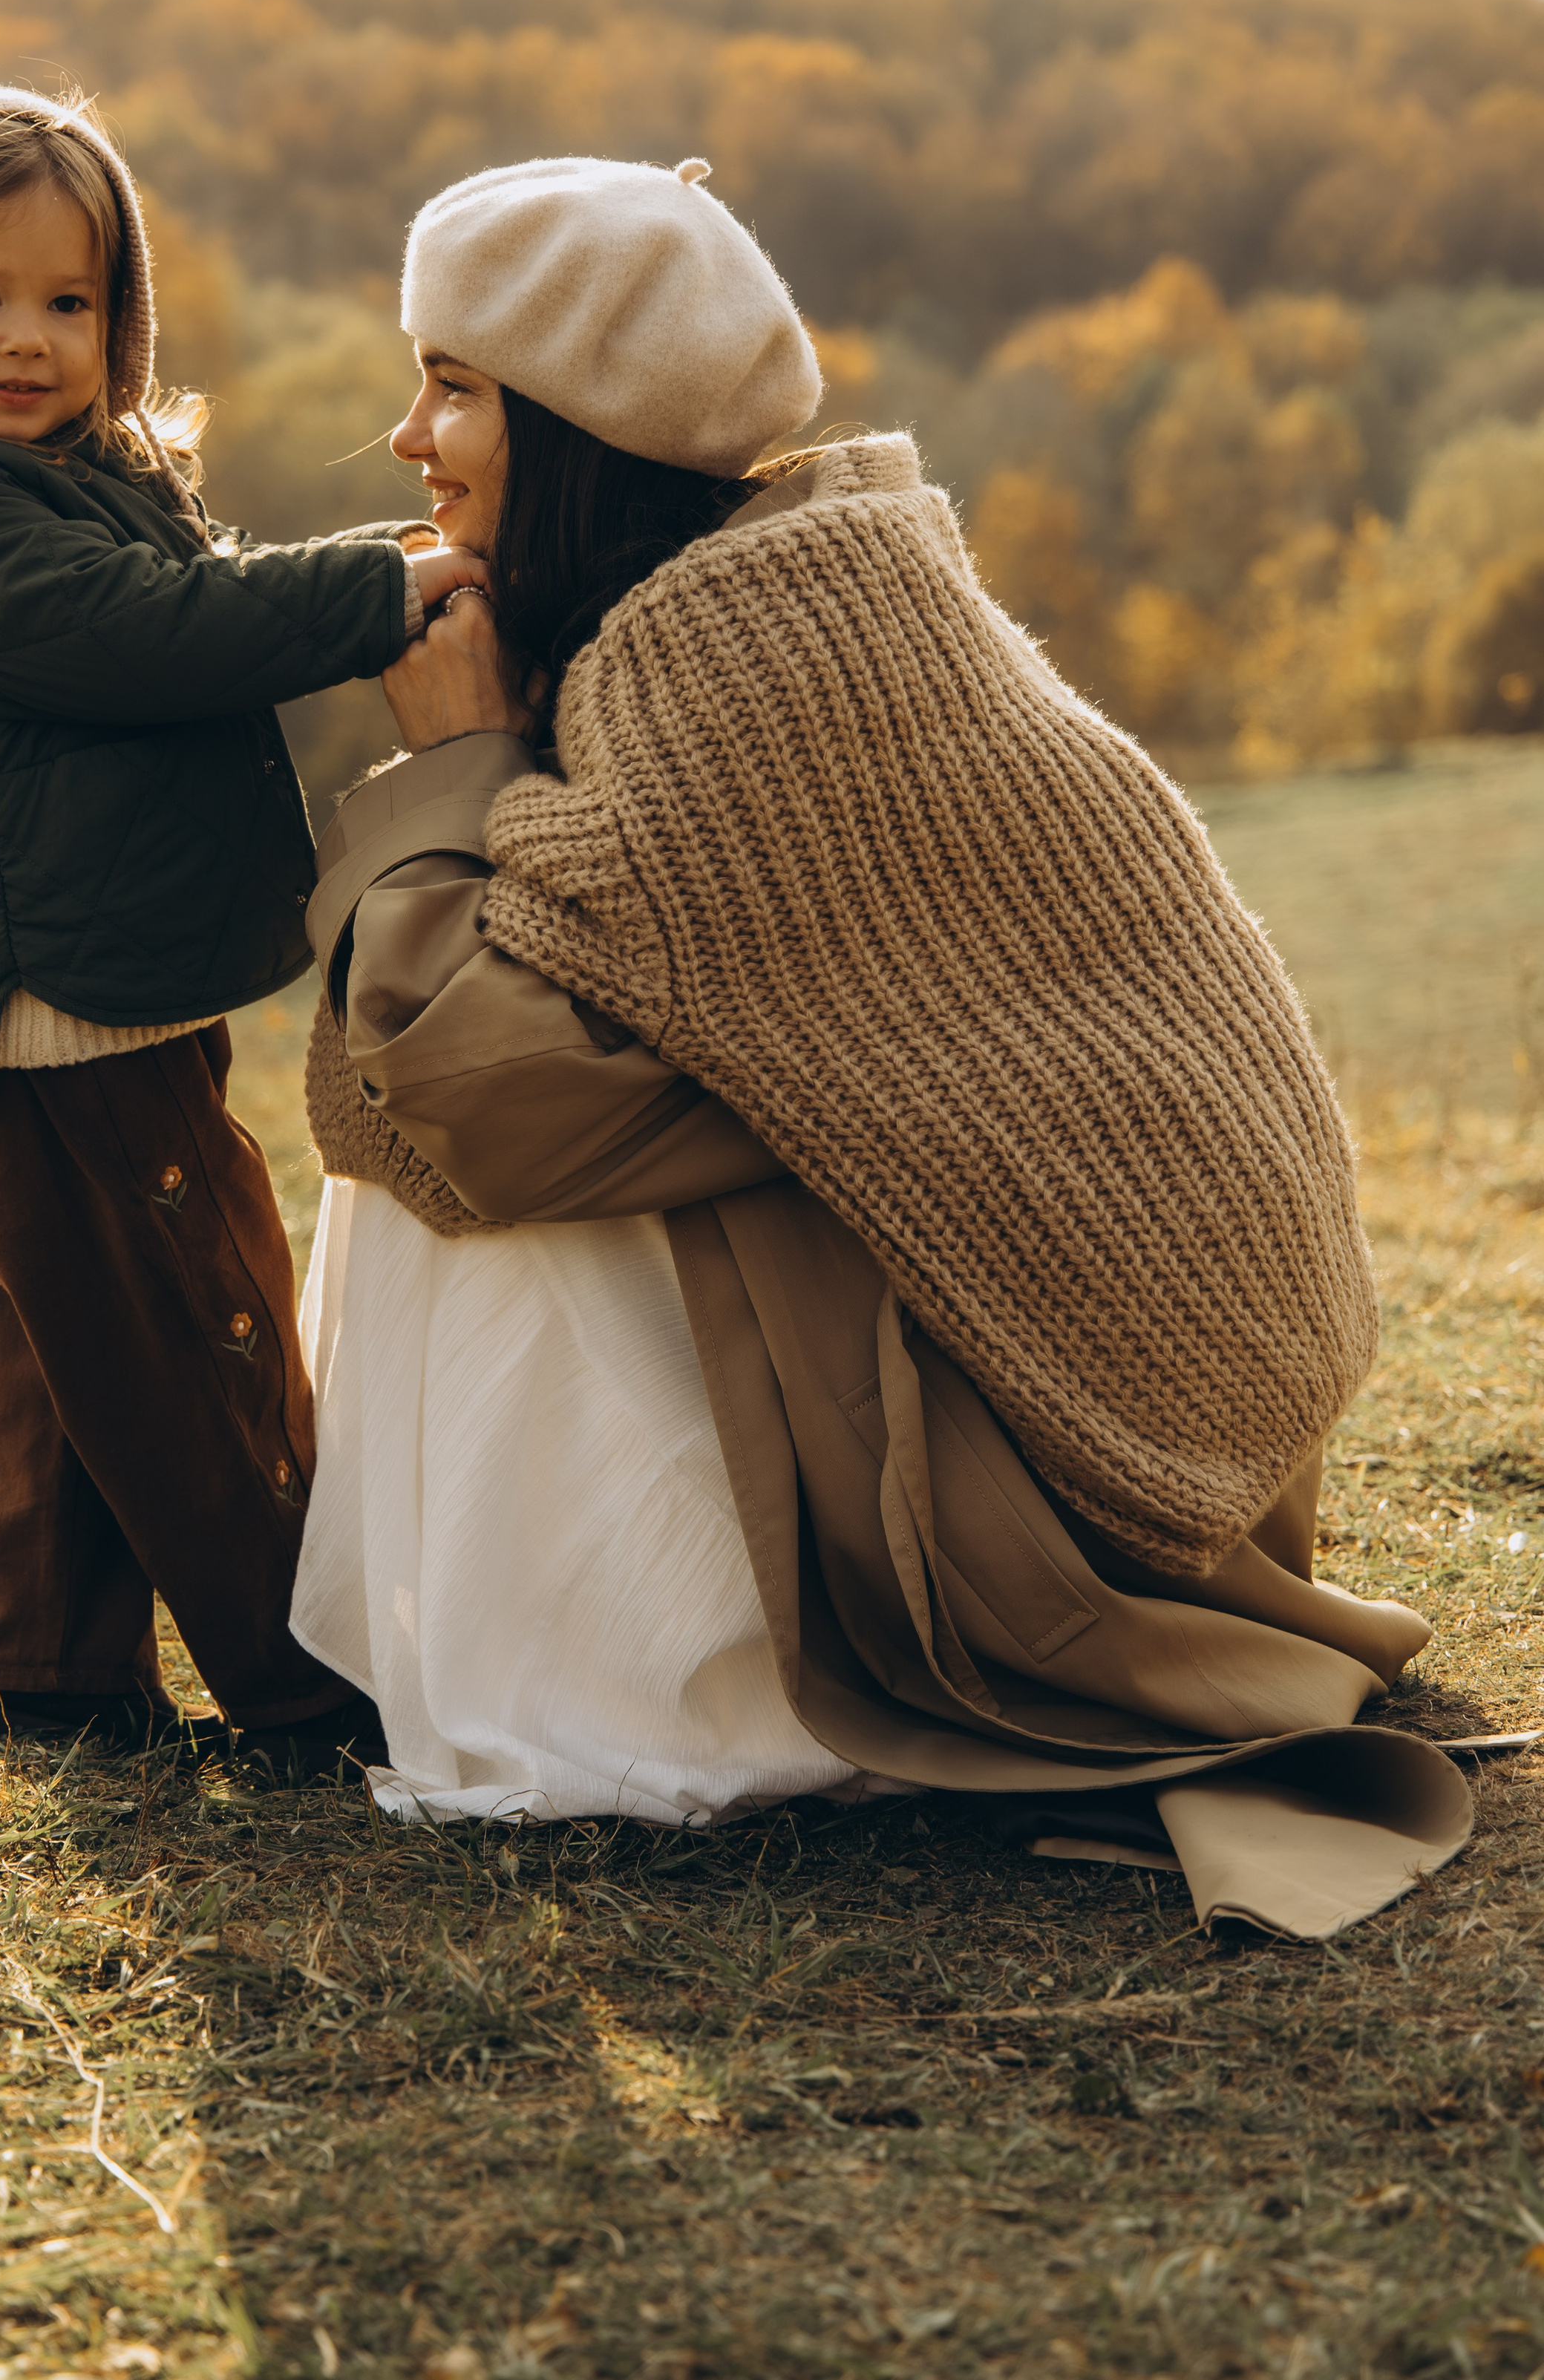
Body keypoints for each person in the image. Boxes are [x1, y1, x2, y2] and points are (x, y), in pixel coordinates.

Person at [295, 151, 1479, 1940]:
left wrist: (451, 775)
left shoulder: (727, 680)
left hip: (1084, 1481)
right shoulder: (796, 584)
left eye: (452, 385)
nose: (408, 435)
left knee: (454, 1181)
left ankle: (635, 1705)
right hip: (1167, 1412)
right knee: (494, 1112)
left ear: (582, 422)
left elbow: (474, 1105)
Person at [0, 85, 485, 1759]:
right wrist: (388, 584)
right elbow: (157, 633)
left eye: (73, 301)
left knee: (72, 1346)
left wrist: (363, 570)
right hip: (49, 994)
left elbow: (182, 593)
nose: (29, 339)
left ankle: (45, 1670)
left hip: (92, 986)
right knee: (200, 1331)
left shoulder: (68, 473)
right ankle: (303, 1688)